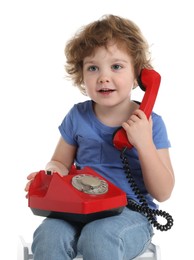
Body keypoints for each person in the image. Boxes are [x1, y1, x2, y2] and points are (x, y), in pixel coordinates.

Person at [25, 14, 175, 260]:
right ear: (81, 75)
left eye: (116, 66)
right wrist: (51, 175)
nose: (103, 77)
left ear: (139, 74)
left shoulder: (151, 124)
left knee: (98, 235)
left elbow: (163, 192)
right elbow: (60, 163)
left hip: (129, 213)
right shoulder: (77, 116)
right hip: (79, 208)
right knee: (49, 233)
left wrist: (144, 142)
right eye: (93, 68)